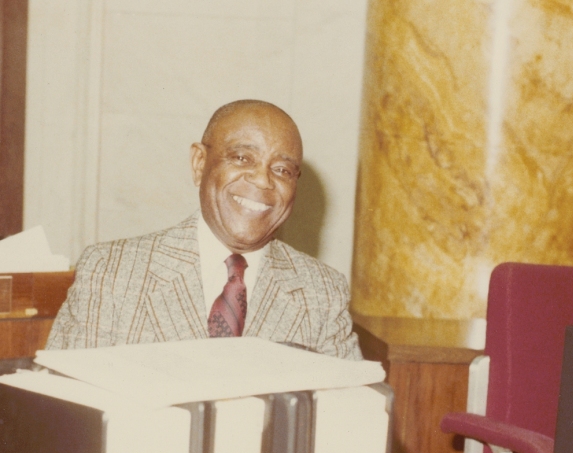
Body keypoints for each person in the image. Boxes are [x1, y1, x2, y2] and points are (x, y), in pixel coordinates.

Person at [46, 100, 361, 359]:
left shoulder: (322, 292)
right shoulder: (110, 272)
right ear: (199, 163)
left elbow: (349, 410)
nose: (263, 180)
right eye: (242, 158)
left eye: (282, 170)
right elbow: (64, 407)